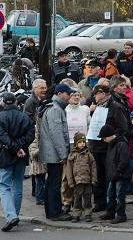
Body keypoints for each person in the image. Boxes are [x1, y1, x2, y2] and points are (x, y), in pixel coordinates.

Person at [0, 93, 35, 231]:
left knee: (3, 186)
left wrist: (14, 147)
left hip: (4, 155)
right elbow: (30, 135)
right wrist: (19, 147)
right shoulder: (24, 117)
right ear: (16, 102)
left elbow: (2, 136)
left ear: (4, 103)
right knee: (17, 185)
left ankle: (11, 216)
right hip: (20, 156)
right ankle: (15, 214)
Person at [87, 84, 129, 213]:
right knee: (97, 175)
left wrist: (112, 137)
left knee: (108, 176)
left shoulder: (115, 107)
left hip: (108, 148)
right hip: (95, 146)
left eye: (96, 94)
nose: (94, 97)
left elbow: (123, 128)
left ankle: (110, 203)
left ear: (103, 93)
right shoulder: (94, 106)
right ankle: (99, 202)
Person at [39, 84, 74, 221]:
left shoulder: (55, 107)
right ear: (60, 93)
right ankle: (55, 212)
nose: (69, 96)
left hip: (52, 152)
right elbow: (57, 134)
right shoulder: (55, 109)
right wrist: (63, 154)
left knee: (51, 182)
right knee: (54, 183)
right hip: (54, 153)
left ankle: (52, 211)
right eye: (67, 93)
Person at [98, 125, 130, 223]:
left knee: (120, 196)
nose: (103, 140)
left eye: (104, 138)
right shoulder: (111, 144)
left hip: (119, 175)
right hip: (112, 174)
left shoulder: (121, 144)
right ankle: (110, 212)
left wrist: (116, 173)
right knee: (110, 195)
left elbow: (123, 161)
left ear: (110, 136)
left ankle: (121, 215)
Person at [64, 133, 97, 223]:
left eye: (83, 142)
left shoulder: (88, 154)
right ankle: (76, 214)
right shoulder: (72, 155)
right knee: (77, 199)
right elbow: (69, 170)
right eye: (80, 142)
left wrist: (94, 179)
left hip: (87, 181)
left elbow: (93, 167)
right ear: (76, 144)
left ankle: (88, 213)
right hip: (77, 182)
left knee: (87, 198)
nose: (82, 144)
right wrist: (70, 182)